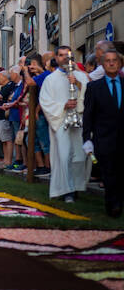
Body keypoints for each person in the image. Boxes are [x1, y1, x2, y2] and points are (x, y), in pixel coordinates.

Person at [39, 46, 92, 202]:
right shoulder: (50, 79)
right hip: (61, 121)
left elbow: (90, 96)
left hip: (80, 119)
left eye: (67, 55)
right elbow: (45, 102)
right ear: (56, 58)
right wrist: (63, 106)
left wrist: (78, 85)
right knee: (64, 155)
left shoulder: (80, 77)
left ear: (72, 56)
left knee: (80, 155)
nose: (64, 58)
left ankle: (76, 187)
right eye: (61, 55)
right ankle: (67, 190)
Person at [82, 50, 124, 217]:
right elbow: (88, 115)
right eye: (108, 61)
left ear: (119, 64)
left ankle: (118, 200)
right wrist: (87, 139)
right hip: (103, 138)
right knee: (108, 173)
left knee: (121, 172)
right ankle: (113, 204)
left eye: (115, 60)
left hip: (122, 138)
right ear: (103, 64)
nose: (112, 63)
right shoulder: (94, 87)